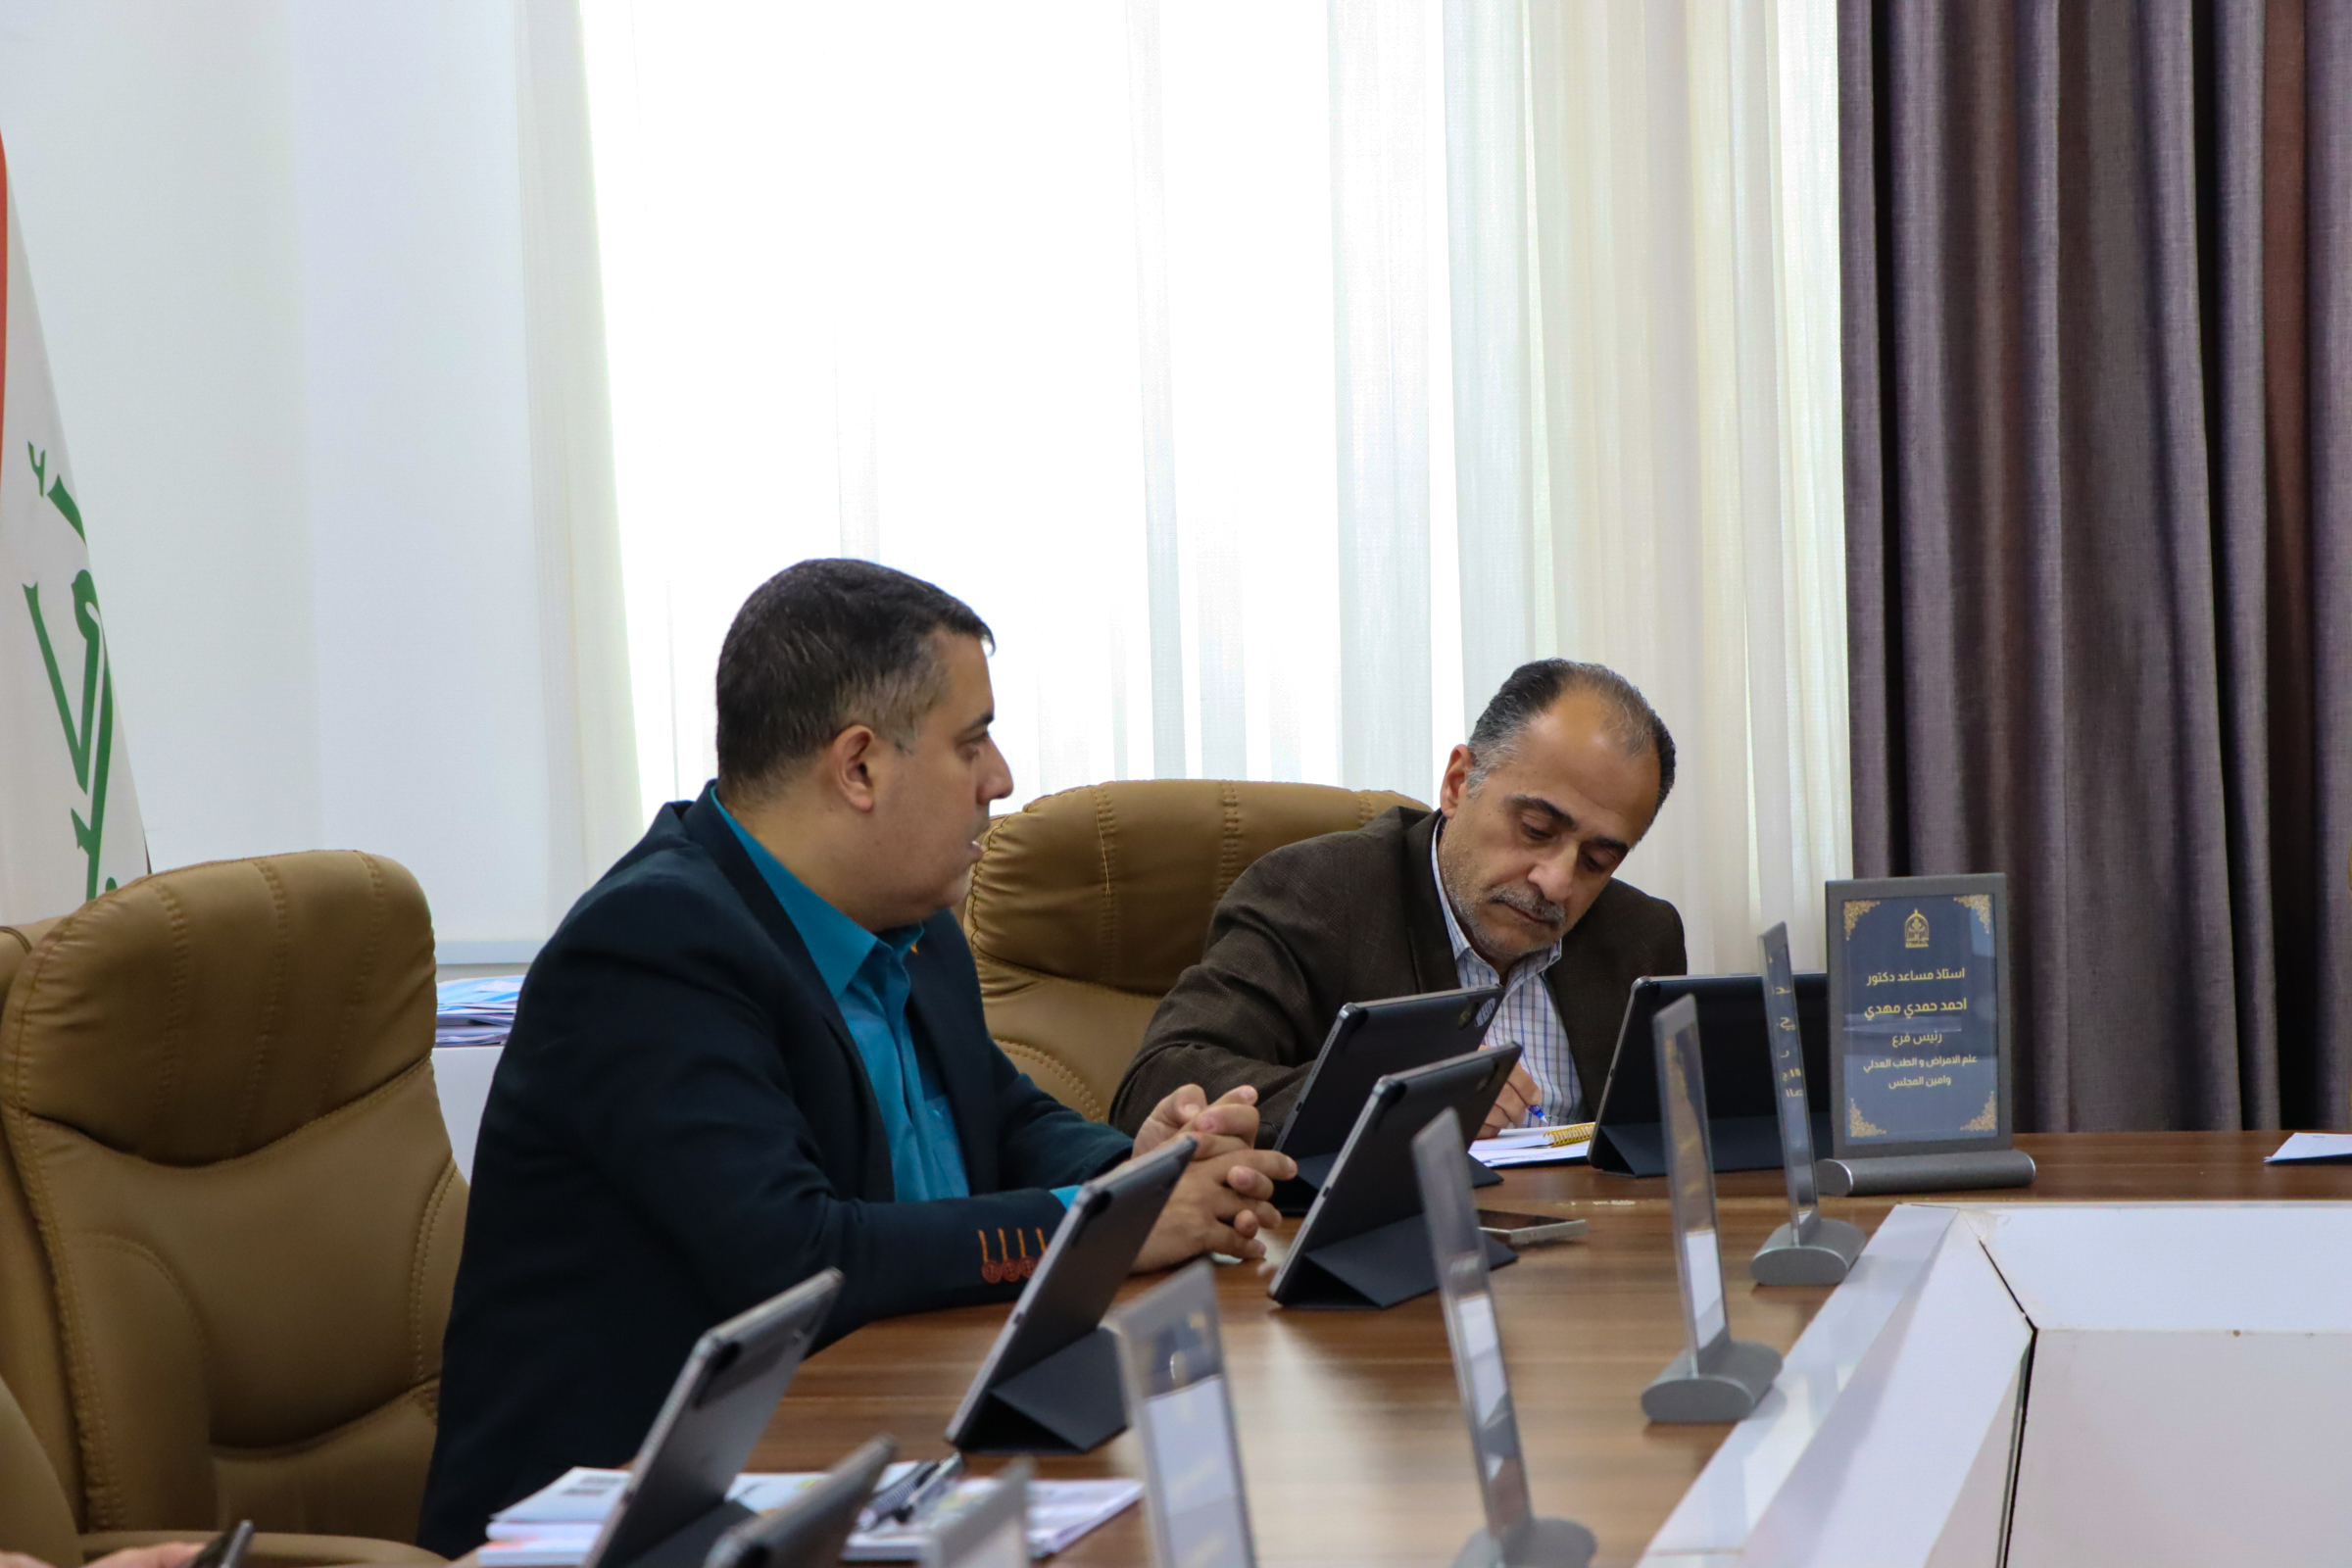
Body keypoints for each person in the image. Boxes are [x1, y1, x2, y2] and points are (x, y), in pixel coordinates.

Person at [421, 561, 1293, 1554]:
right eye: (972, 741)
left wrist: (1142, 1170)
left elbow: (1002, 1117)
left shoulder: (914, 929)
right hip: (632, 1523)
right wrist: (1100, 1227)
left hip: (869, 1462)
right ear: (860, 768)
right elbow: (799, 1255)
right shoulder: (651, 949)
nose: (1001, 779)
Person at [1111, 660, 1688, 1141]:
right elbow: (1159, 1082)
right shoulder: (1317, 893)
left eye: (1597, 861)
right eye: (1536, 829)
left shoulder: (1641, 936)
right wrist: (1397, 1096)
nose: (1556, 882)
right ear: (1459, 784)